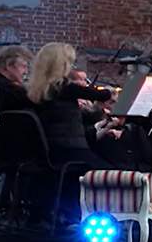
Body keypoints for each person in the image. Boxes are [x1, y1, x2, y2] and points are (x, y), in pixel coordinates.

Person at [27, 43, 112, 224]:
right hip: (71, 152)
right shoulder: (64, 87)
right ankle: (105, 218)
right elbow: (102, 95)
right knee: (113, 173)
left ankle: (70, 215)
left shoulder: (35, 90)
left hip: (49, 152)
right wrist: (109, 92)